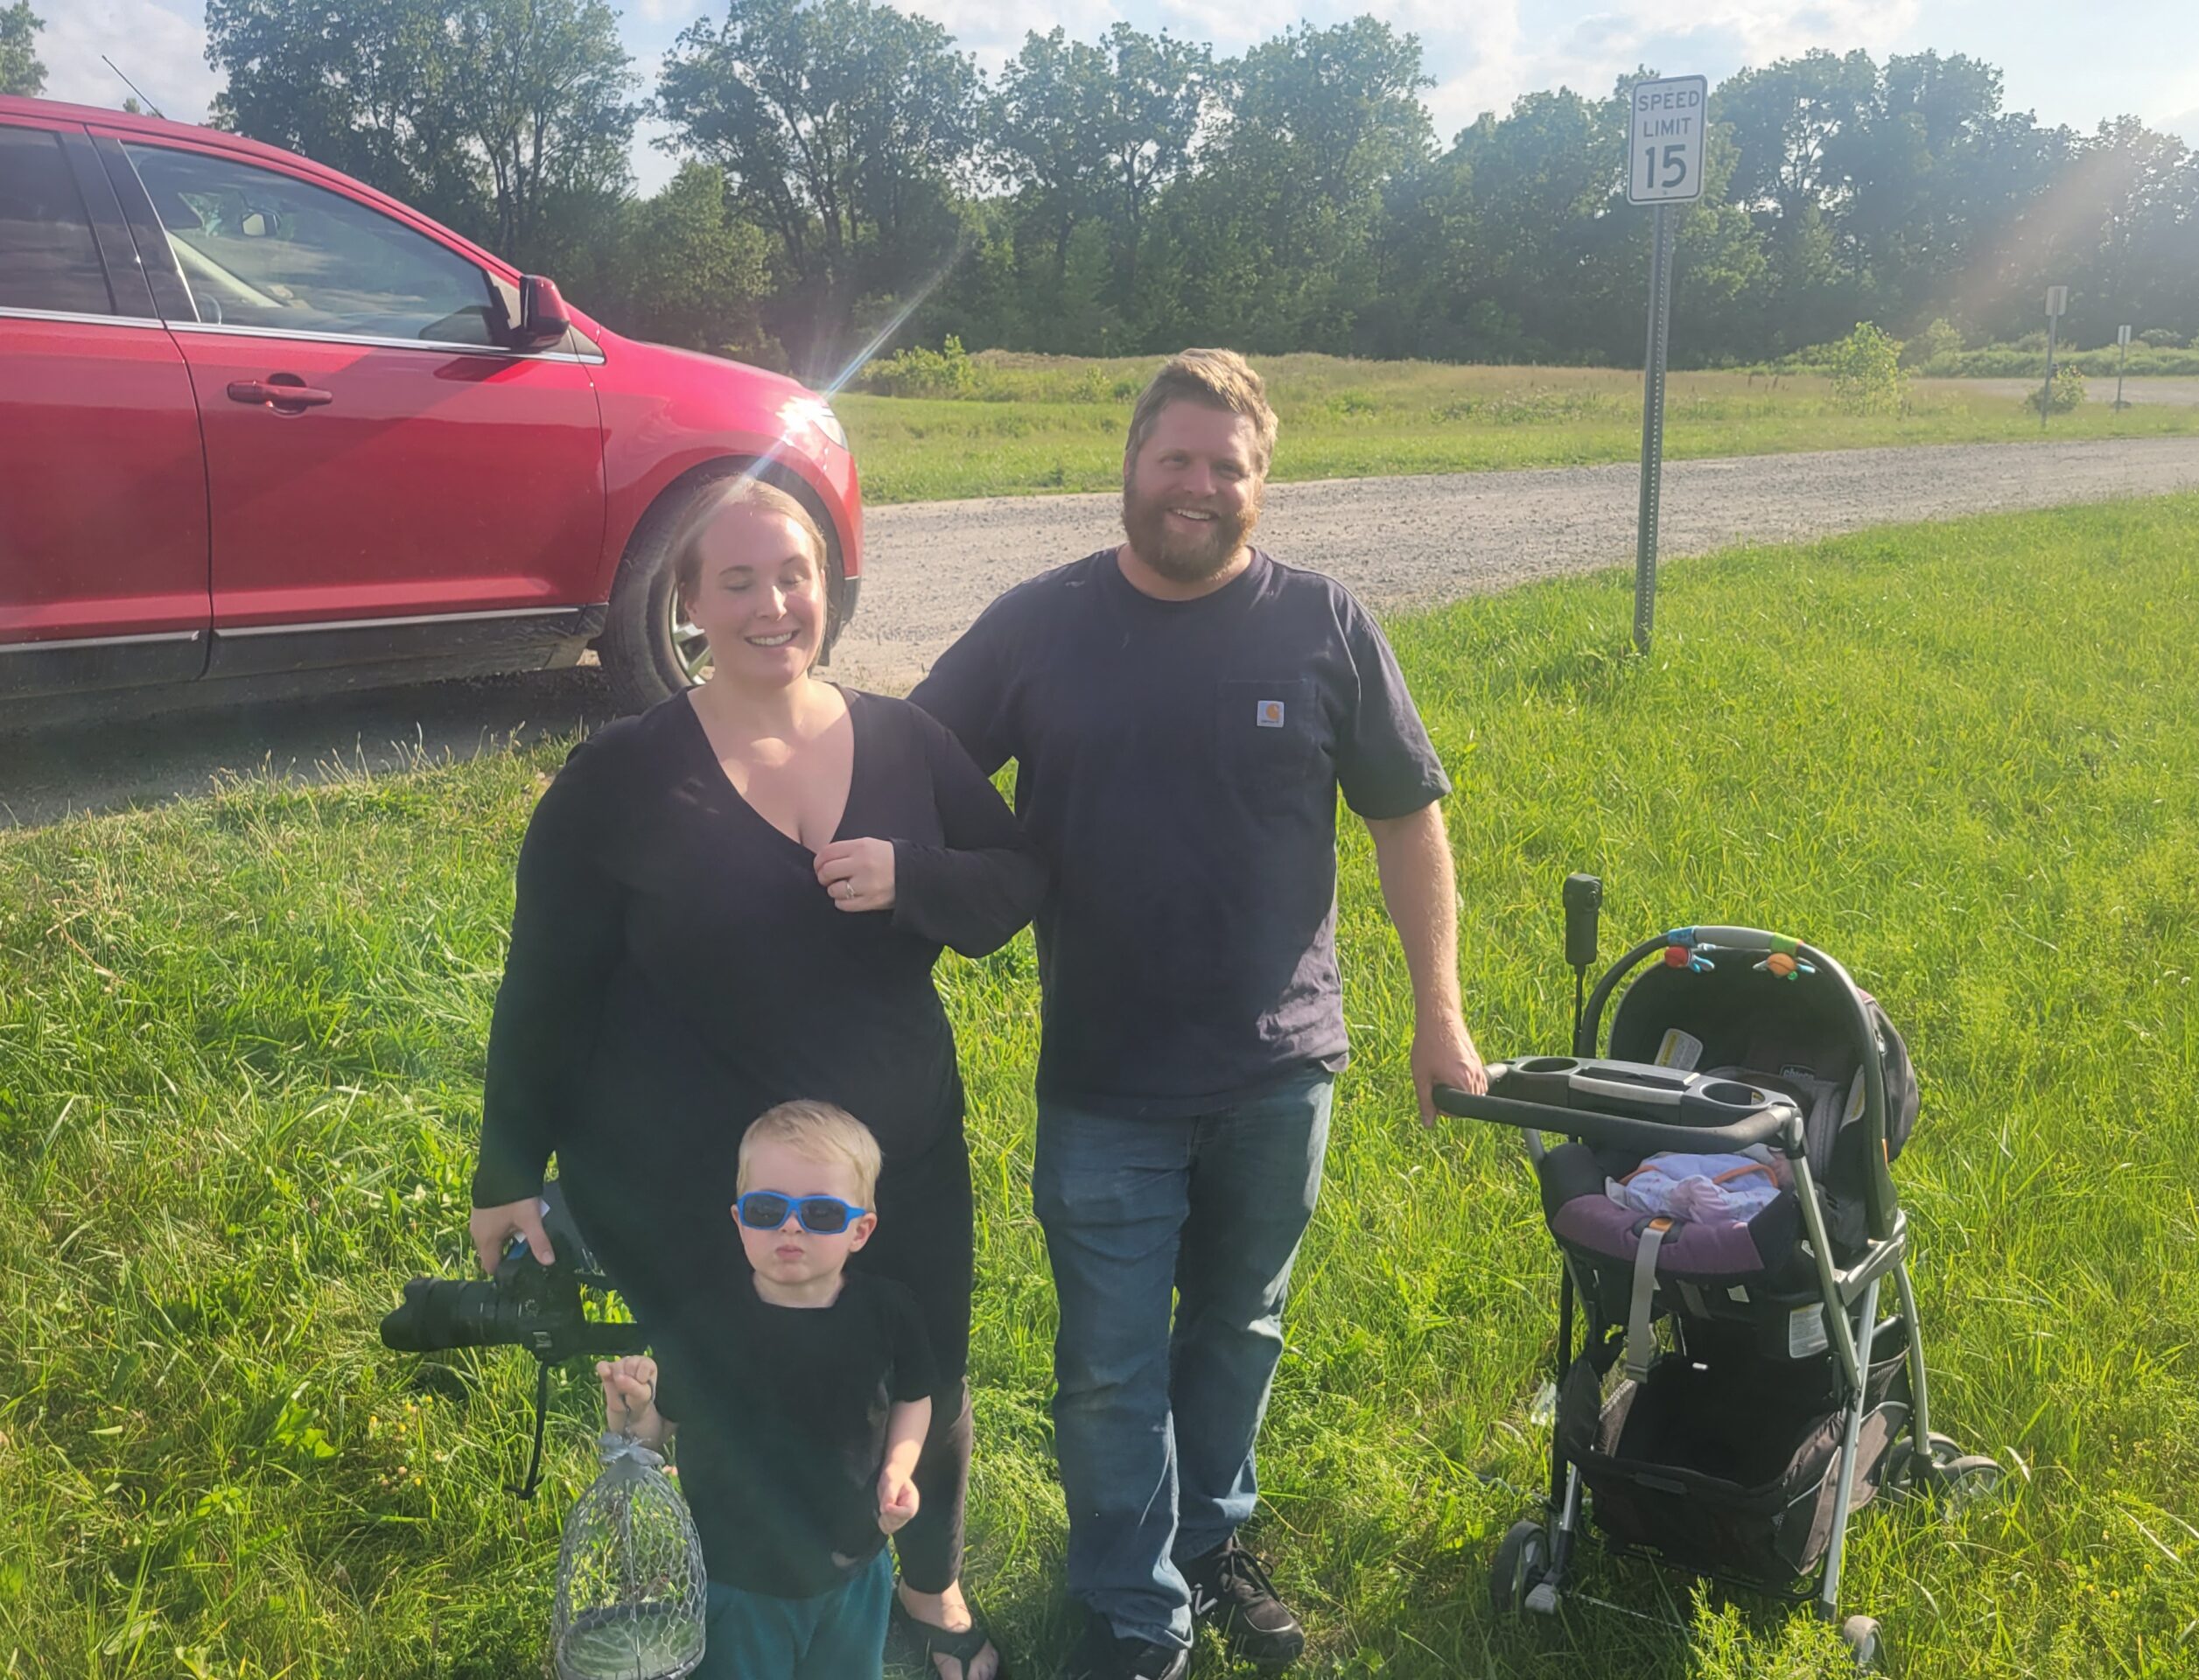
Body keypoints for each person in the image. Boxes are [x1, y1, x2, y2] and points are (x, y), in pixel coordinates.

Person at [912, 349, 1488, 1680]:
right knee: (1110, 1368)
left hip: (1281, 1071)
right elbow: (911, 760)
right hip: (1105, 1077)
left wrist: (1440, 1018)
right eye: (1175, 457)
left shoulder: (1323, 623)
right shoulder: (1039, 625)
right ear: (1129, 465)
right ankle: (1132, 1607)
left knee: (1239, 1329)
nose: (1198, 485)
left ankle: (1208, 1542)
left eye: (1227, 466)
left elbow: (1407, 818)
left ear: (1260, 484)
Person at [471, 476, 1041, 1680]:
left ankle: (928, 1588)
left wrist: (914, 877)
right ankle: (744, 1595)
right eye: (737, 581)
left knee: (923, 1372)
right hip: (706, 1185)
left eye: (794, 576)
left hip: (899, 1165)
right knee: (737, 1389)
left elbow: (1014, 881)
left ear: (828, 589)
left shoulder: (904, 741)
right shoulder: (621, 775)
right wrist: (507, 1169)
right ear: (688, 603)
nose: (772, 605)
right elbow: (545, 985)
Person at [596, 1100, 936, 1679]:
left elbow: (915, 1396)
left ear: (860, 1230)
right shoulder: (705, 1324)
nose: (791, 1226)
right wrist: (633, 1410)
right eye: (766, 1209)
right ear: (739, 1220)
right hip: (738, 1577)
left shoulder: (888, 1314)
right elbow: (655, 1437)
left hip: (855, 1564)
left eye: (822, 1213)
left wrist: (899, 1469)